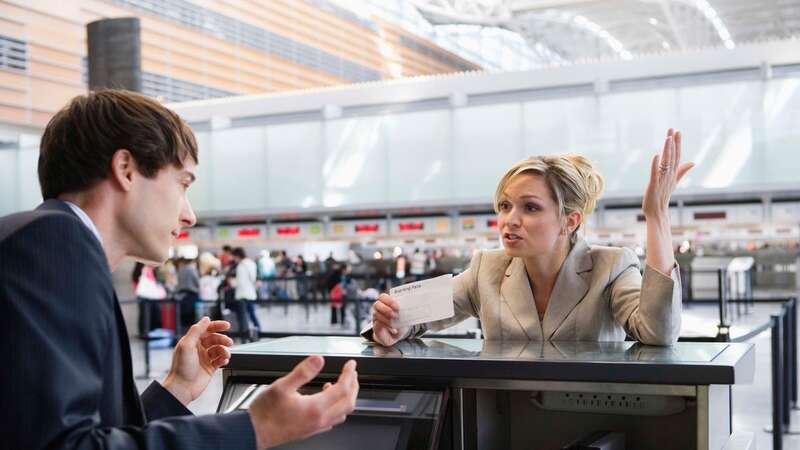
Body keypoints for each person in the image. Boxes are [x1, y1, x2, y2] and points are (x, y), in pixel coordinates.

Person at [0, 89, 358, 449]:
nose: (189, 215)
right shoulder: (53, 244)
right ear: (126, 169)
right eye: (183, 183)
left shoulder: (55, 245)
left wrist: (176, 389)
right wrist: (257, 427)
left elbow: (85, 434)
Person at [369, 129, 693, 346]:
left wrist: (656, 215)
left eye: (531, 208)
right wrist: (392, 323)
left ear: (569, 220)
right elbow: (407, 316)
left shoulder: (611, 266)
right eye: (505, 206)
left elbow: (657, 332)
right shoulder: (486, 269)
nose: (510, 220)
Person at [232, 247, 261, 338]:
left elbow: (240, 282)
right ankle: (258, 330)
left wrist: (232, 282)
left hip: (242, 294)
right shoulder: (252, 263)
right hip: (251, 293)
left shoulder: (241, 265)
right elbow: (253, 278)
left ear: (237, 256)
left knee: (243, 316)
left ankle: (245, 335)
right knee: (252, 313)